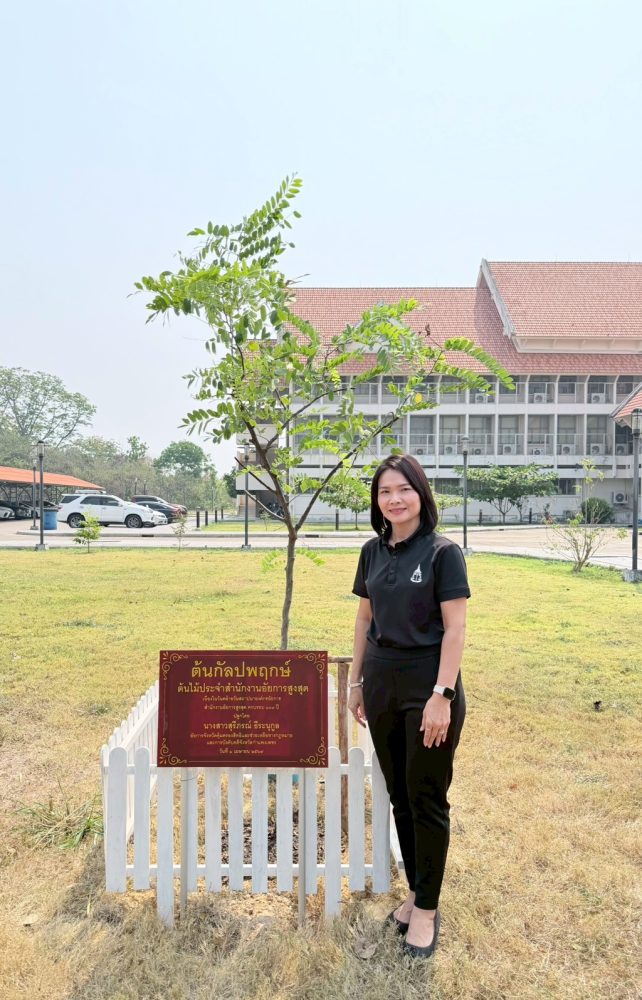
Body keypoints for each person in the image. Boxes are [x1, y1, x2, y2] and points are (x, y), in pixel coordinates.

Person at [348, 454, 470, 959]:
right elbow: (364, 619)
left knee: (427, 798)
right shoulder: (371, 552)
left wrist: (442, 696)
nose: (394, 499)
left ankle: (426, 909)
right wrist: (355, 681)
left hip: (428, 687)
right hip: (381, 683)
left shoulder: (443, 553)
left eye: (403, 489)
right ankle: (418, 892)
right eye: (384, 492)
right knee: (399, 796)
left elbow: (456, 629)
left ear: (421, 493)